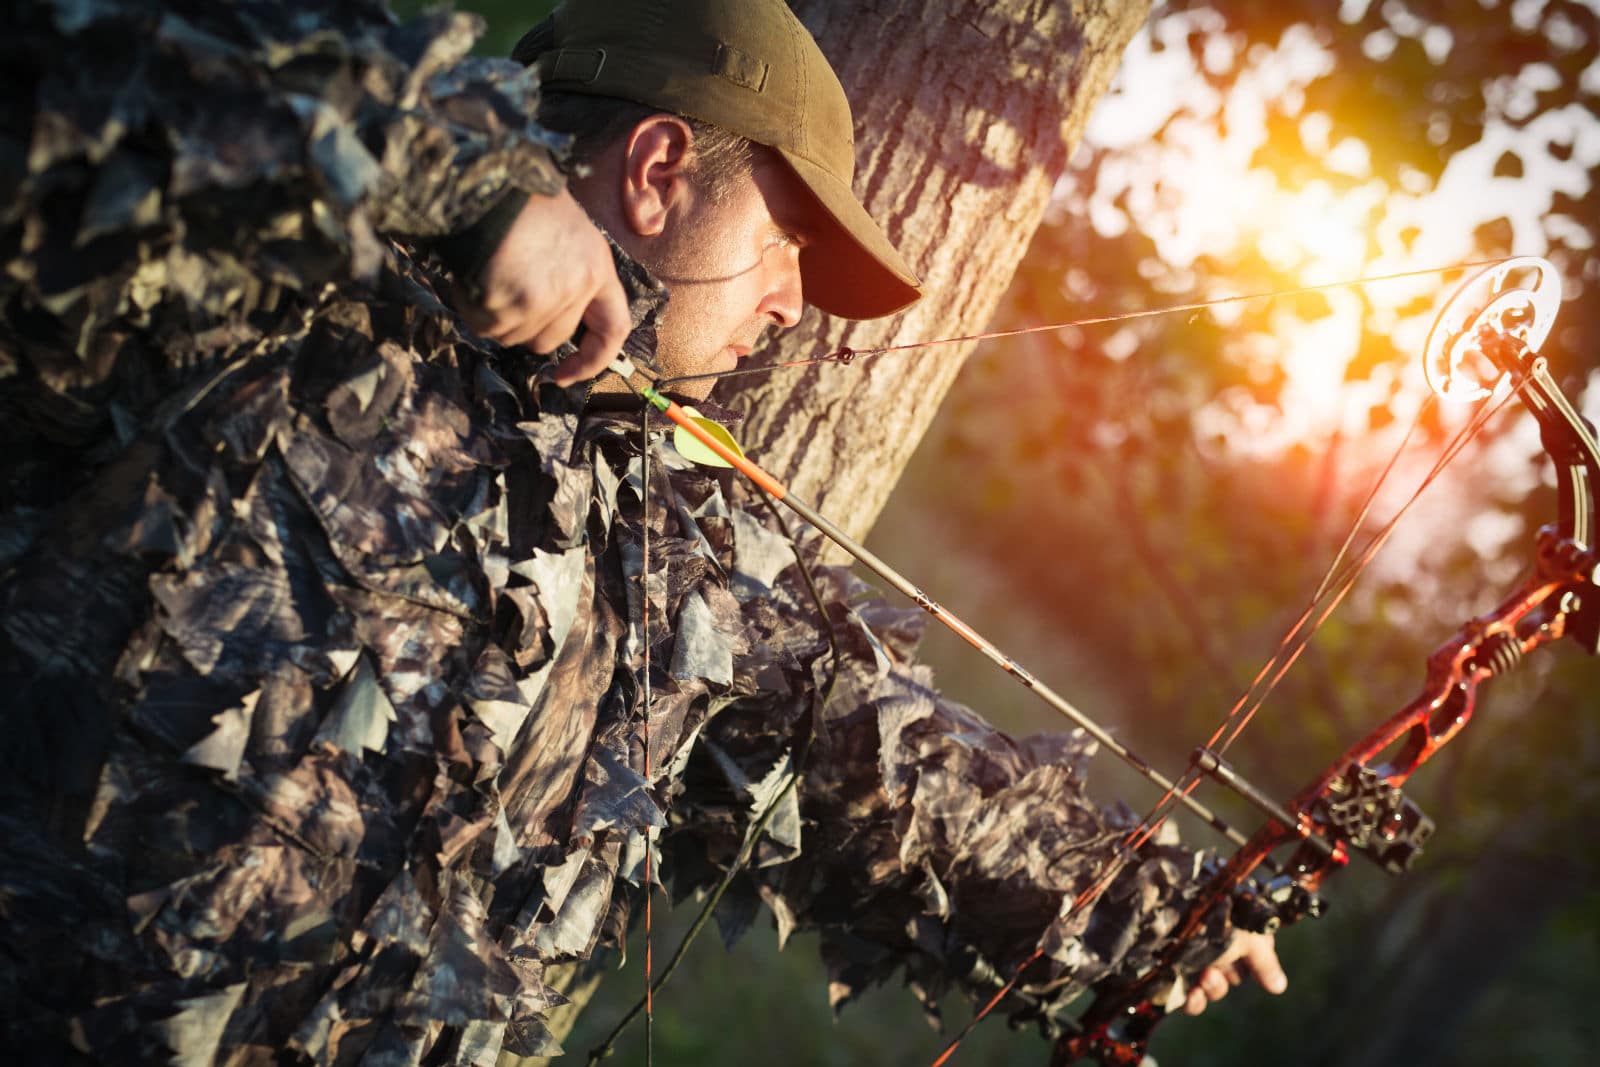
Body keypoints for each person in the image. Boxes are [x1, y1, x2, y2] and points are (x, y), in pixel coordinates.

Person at [0, 4, 1277, 1067]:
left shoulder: (668, 554)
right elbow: (87, 70)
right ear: (659, 171)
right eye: (785, 245)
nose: (793, 310)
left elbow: (878, 772)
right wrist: (460, 179)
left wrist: (1163, 908)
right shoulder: (287, 302)